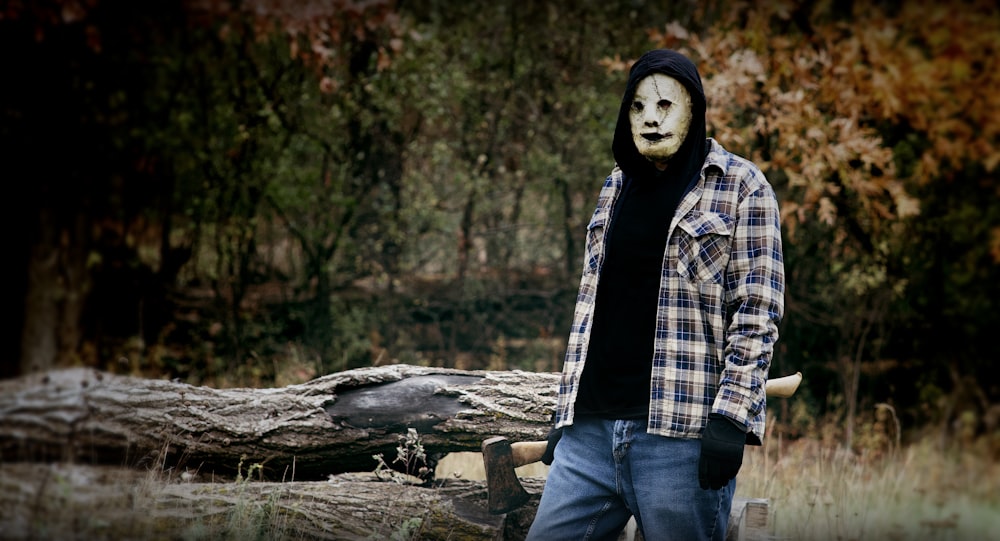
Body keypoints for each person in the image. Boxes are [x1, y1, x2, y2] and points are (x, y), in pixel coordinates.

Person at [527, 49, 786, 541]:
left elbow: (756, 315)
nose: (650, 118)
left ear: (695, 110)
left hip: (677, 441)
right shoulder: (615, 188)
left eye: (665, 105)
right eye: (638, 107)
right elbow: (591, 310)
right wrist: (567, 411)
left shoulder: (742, 188)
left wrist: (731, 420)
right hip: (590, 437)